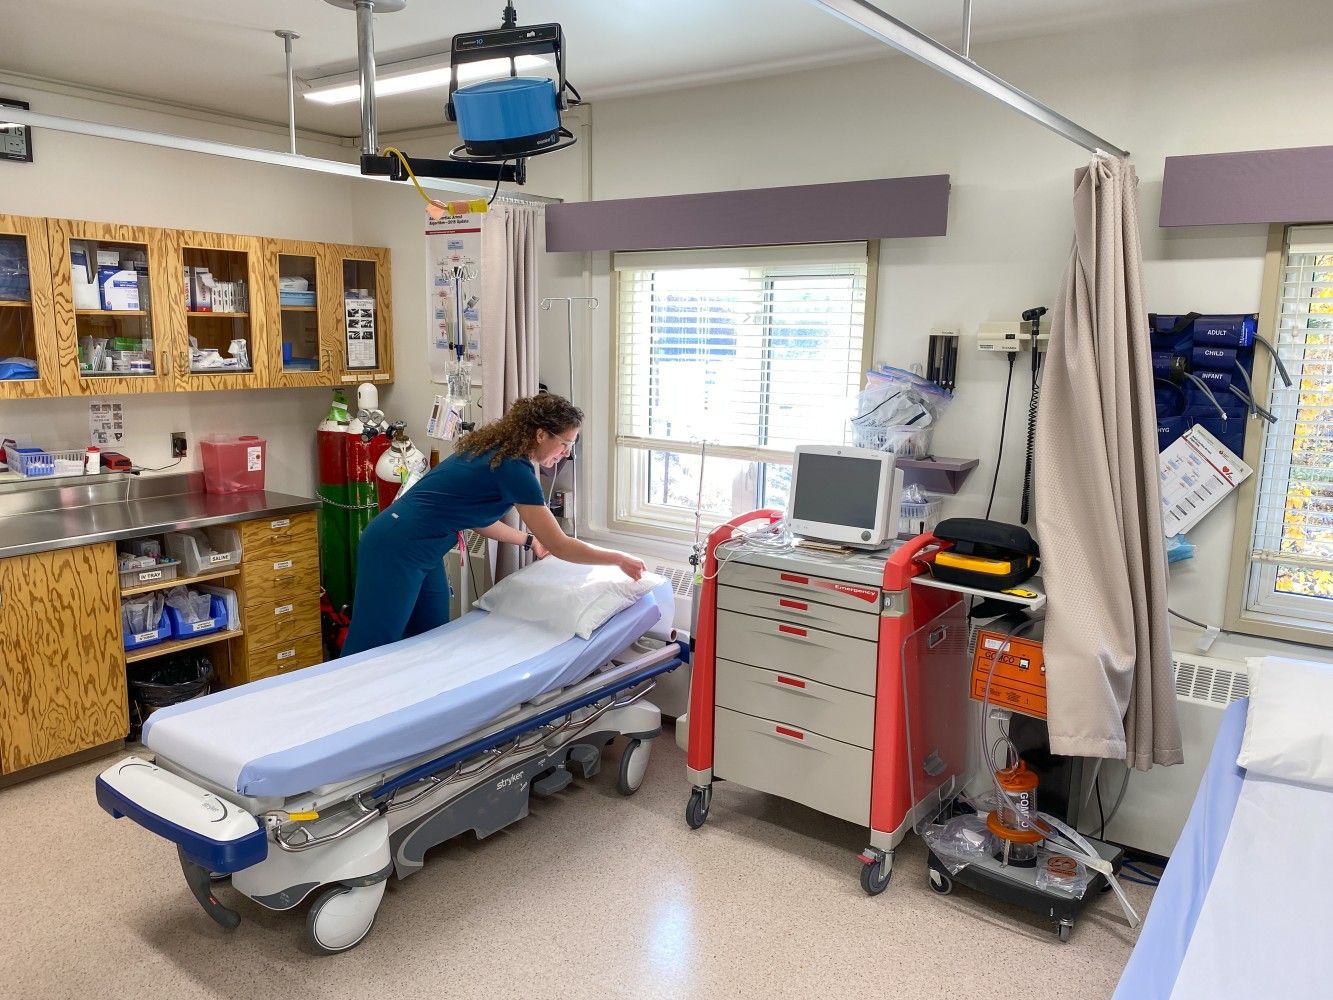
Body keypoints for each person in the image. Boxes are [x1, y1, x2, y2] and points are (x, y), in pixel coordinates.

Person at [341, 393, 646, 656]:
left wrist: (528, 542)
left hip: (424, 549)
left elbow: (478, 520)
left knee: (429, 639)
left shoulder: (499, 451)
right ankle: (339, 713)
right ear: (541, 435)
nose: (566, 453)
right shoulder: (514, 468)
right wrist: (617, 559)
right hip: (395, 545)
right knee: (372, 646)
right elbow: (560, 544)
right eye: (565, 444)